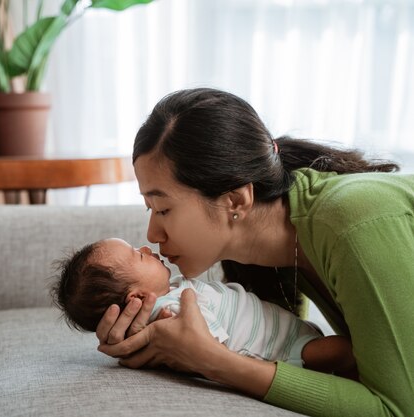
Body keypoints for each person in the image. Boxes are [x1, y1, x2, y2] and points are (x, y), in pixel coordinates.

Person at [94, 88, 414, 416]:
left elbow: (397, 408)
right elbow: (286, 352)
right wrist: (152, 334)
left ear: (235, 200)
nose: (151, 234)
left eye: (162, 208)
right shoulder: (268, 249)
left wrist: (214, 361)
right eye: (149, 207)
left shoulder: (352, 221)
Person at [51, 237, 357, 377]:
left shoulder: (175, 291)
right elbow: (210, 346)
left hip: (285, 333)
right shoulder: (173, 310)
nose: (147, 245)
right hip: (282, 350)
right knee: (347, 353)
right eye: (138, 255)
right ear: (135, 298)